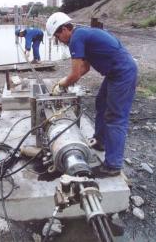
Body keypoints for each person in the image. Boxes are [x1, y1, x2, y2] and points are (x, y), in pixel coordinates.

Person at [46, 12, 138, 178]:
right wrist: (66, 81)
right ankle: (100, 140)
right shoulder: (81, 34)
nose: (59, 40)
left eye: (58, 36)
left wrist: (63, 84)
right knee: (101, 103)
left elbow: (75, 74)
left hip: (122, 73)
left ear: (65, 29)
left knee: (115, 117)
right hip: (114, 72)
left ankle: (113, 165)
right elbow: (85, 68)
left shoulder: (76, 38)